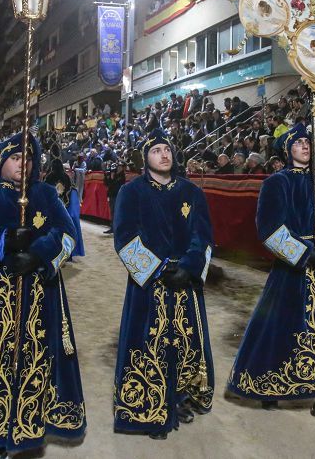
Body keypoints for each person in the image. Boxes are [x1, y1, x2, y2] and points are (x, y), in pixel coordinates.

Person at [0, 131, 85, 455]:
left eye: (27, 158)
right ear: (1, 160)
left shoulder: (45, 194)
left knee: (32, 361)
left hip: (36, 296)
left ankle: (28, 432)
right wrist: (3, 241)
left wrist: (38, 254)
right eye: (14, 157)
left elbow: (68, 236)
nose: (21, 163)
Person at [228, 106, 315, 423]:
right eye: (298, 142)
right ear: (288, 150)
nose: (305, 145)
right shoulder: (277, 182)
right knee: (284, 325)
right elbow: (269, 229)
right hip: (296, 265)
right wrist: (302, 253)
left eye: (308, 141)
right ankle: (268, 385)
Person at [112, 129, 216, 438]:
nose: (164, 154)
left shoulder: (191, 192)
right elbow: (125, 237)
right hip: (149, 285)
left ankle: (180, 396)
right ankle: (150, 403)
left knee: (185, 343)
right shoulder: (131, 192)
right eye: (156, 150)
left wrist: (189, 266)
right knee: (147, 344)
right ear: (146, 158)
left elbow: (204, 237)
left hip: (185, 282)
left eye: (167, 149)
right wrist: (157, 270)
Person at [44, 158, 85, 259]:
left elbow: (44, 192)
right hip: (65, 209)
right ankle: (67, 255)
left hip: (52, 209)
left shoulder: (49, 177)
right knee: (65, 232)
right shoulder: (66, 177)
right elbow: (73, 191)